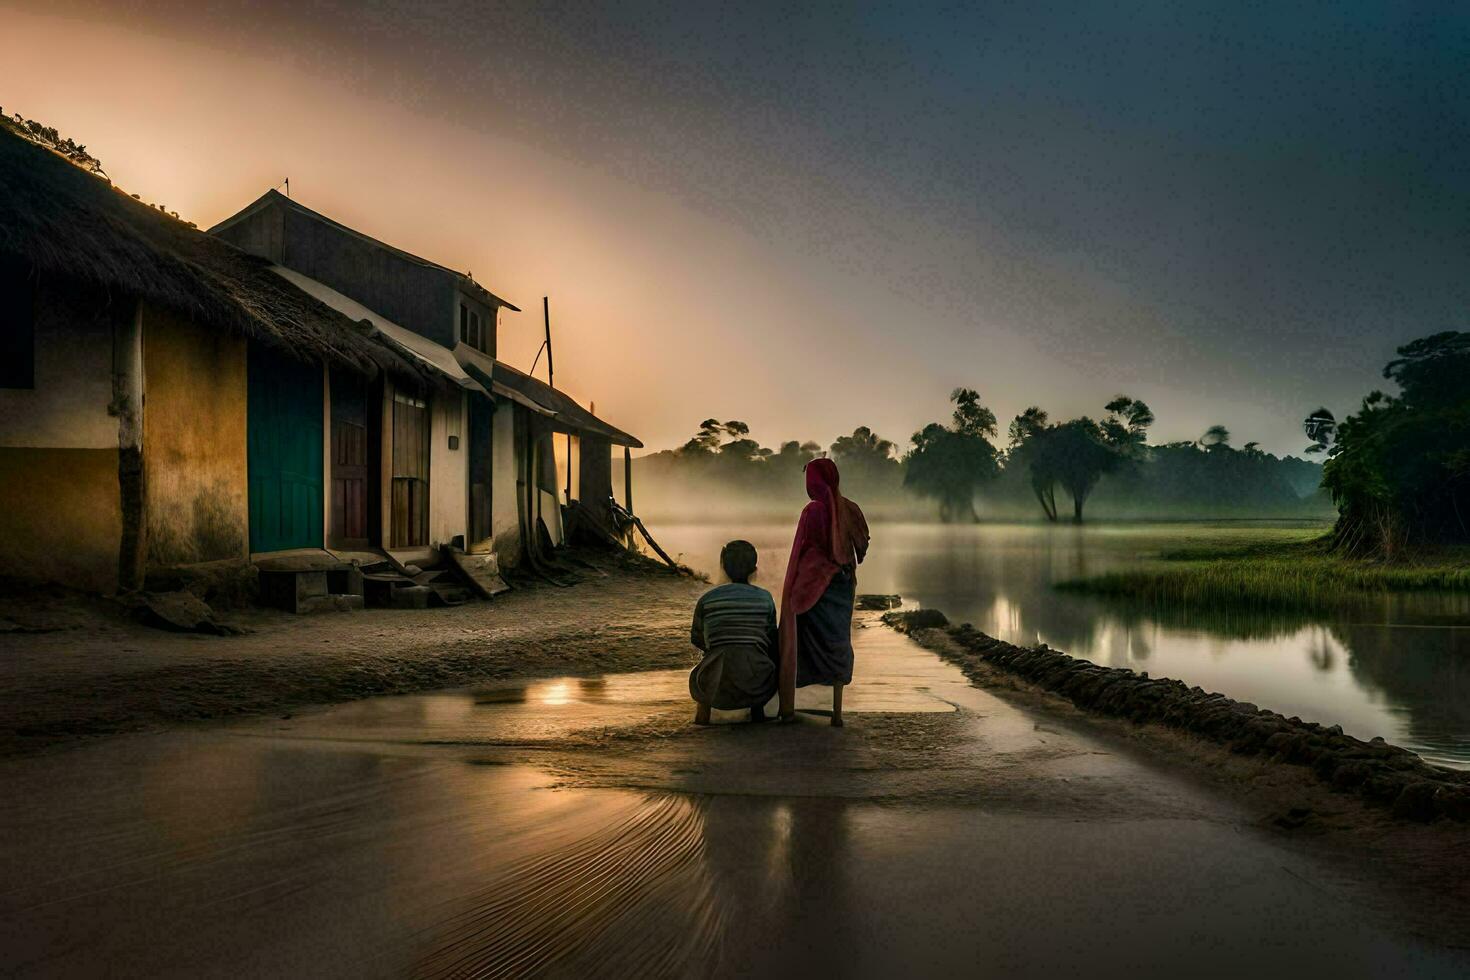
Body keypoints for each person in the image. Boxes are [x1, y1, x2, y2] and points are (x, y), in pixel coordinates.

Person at [777, 457, 869, 726]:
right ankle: (837, 713)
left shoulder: (813, 511)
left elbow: (802, 548)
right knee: (836, 640)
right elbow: (861, 546)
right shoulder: (849, 509)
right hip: (843, 584)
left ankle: (789, 706)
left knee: (797, 634)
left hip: (812, 586)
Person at [689, 539, 779, 724]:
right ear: (754, 569)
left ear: (723, 567)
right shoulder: (765, 598)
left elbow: (697, 639)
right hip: (757, 685)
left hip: (713, 686)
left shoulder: (707, 600)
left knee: (706, 665)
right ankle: (757, 713)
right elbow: (771, 639)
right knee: (762, 655)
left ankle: (702, 718)